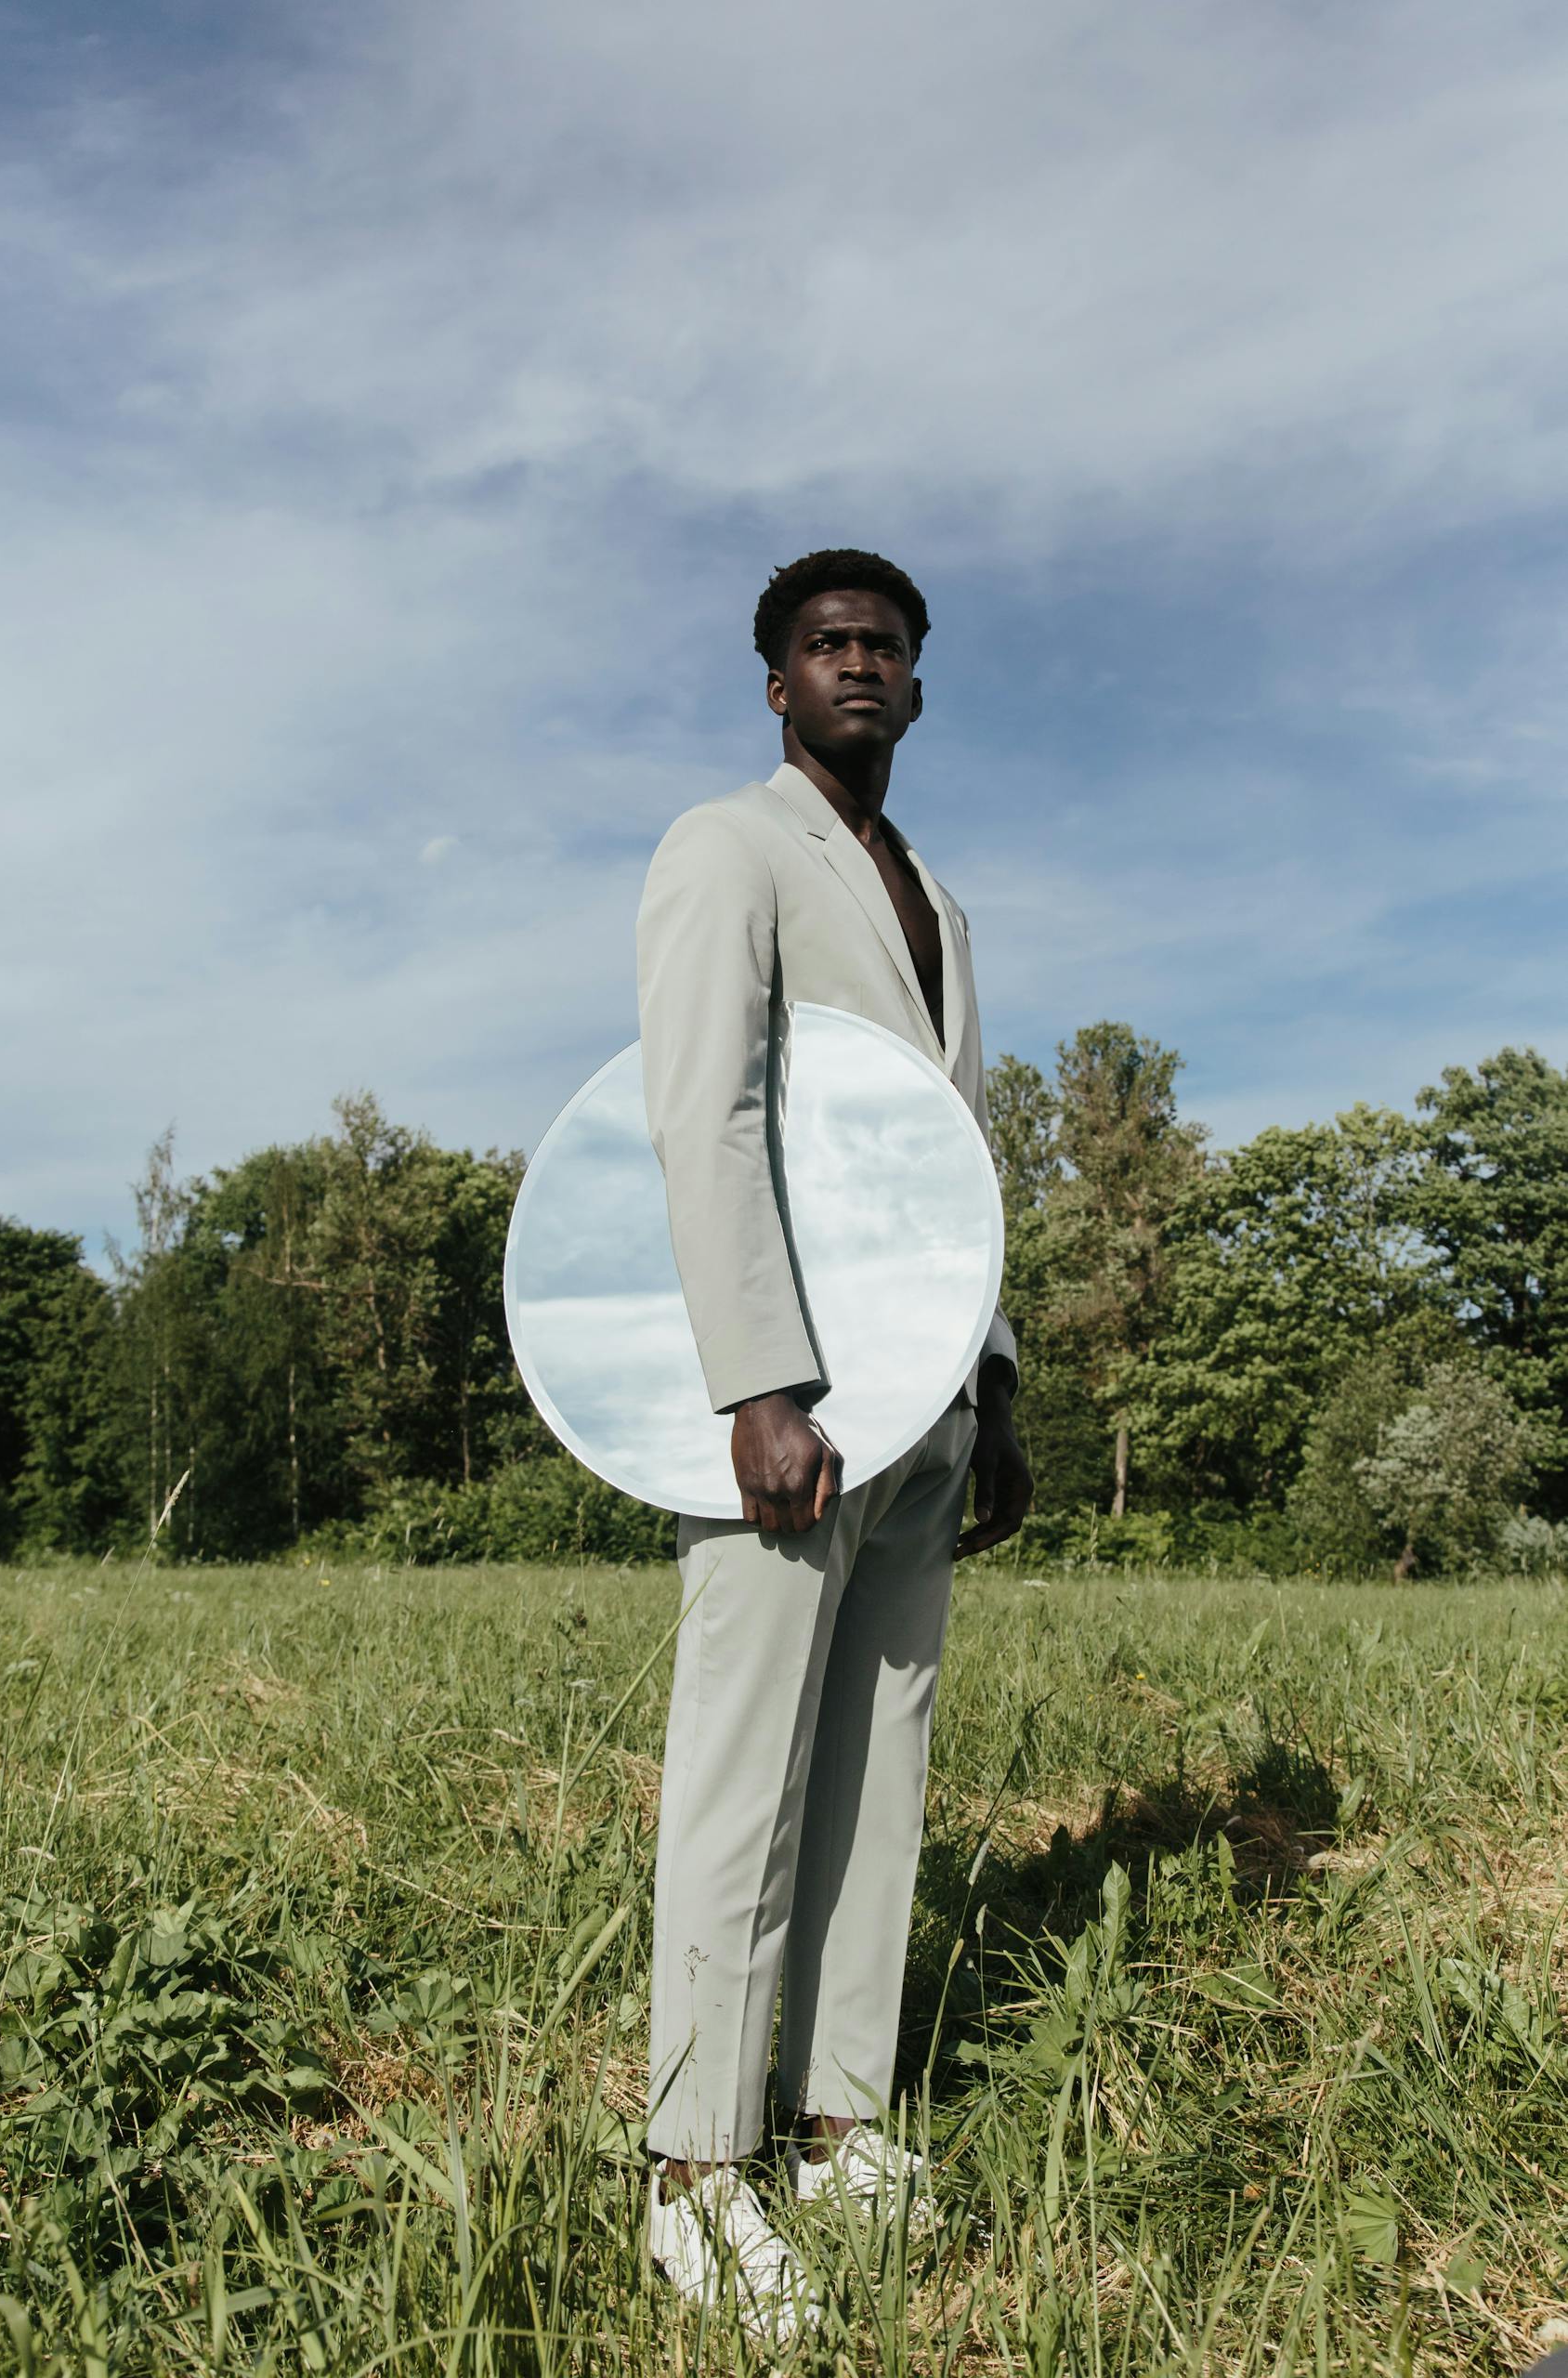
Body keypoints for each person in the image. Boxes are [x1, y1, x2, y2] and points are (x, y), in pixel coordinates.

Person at [636, 548, 1033, 2334]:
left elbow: (960, 1155)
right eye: (824, 644)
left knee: (883, 1766)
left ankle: (840, 2124)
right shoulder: (729, 847)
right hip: (791, 1405)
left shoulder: (938, 898)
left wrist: (998, 1382)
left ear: (919, 688)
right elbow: (701, 1107)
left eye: (886, 645)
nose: (858, 664)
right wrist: (754, 1382)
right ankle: (695, 2175)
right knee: (749, 1772)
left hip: (928, 1392)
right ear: (776, 684)